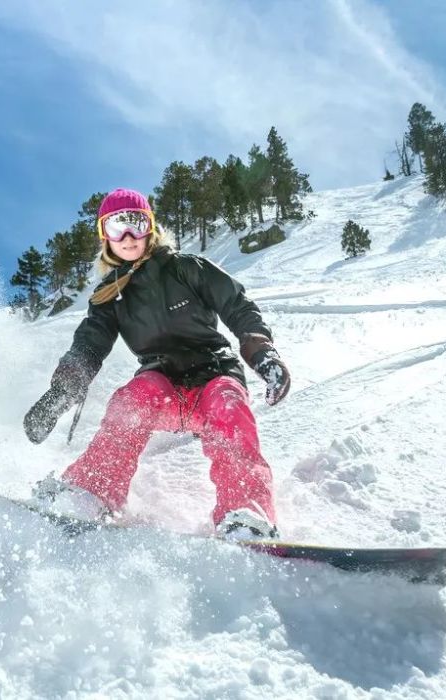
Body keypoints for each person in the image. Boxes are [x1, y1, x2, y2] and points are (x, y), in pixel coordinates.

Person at [23, 188, 291, 541]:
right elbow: (89, 344)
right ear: (106, 236)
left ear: (151, 227)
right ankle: (90, 492)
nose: (129, 236)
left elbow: (237, 305)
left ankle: (246, 514)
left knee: (229, 407)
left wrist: (262, 353)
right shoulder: (109, 296)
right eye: (118, 226)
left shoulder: (186, 268)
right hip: (161, 383)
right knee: (130, 401)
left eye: (137, 223)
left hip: (213, 375)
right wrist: (63, 391)